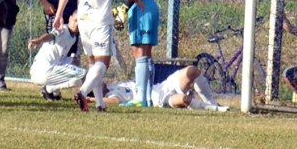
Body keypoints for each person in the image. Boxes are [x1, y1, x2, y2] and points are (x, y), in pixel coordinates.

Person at [53, 0, 143, 112]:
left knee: (93, 62)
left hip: (83, 19)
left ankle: (100, 104)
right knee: (103, 62)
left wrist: (59, 14)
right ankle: (83, 92)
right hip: (100, 18)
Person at [110, 0, 160, 107]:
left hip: (142, 7)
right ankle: (146, 98)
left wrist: (125, 7)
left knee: (139, 52)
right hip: (148, 5)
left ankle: (141, 98)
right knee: (145, 54)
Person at [87, 65, 229, 111]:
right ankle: (213, 109)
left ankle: (211, 102)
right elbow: (115, 102)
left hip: (160, 86)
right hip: (157, 99)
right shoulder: (112, 95)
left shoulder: (114, 84)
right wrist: (90, 99)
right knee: (184, 99)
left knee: (192, 71)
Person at [28, 14, 86, 101]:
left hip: (47, 68)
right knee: (82, 75)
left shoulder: (73, 37)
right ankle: (49, 89)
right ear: (70, 18)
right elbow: (51, 36)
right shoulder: (62, 30)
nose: (77, 24)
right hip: (43, 70)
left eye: (80, 22)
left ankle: (54, 93)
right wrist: (39, 40)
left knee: (75, 62)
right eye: (75, 20)